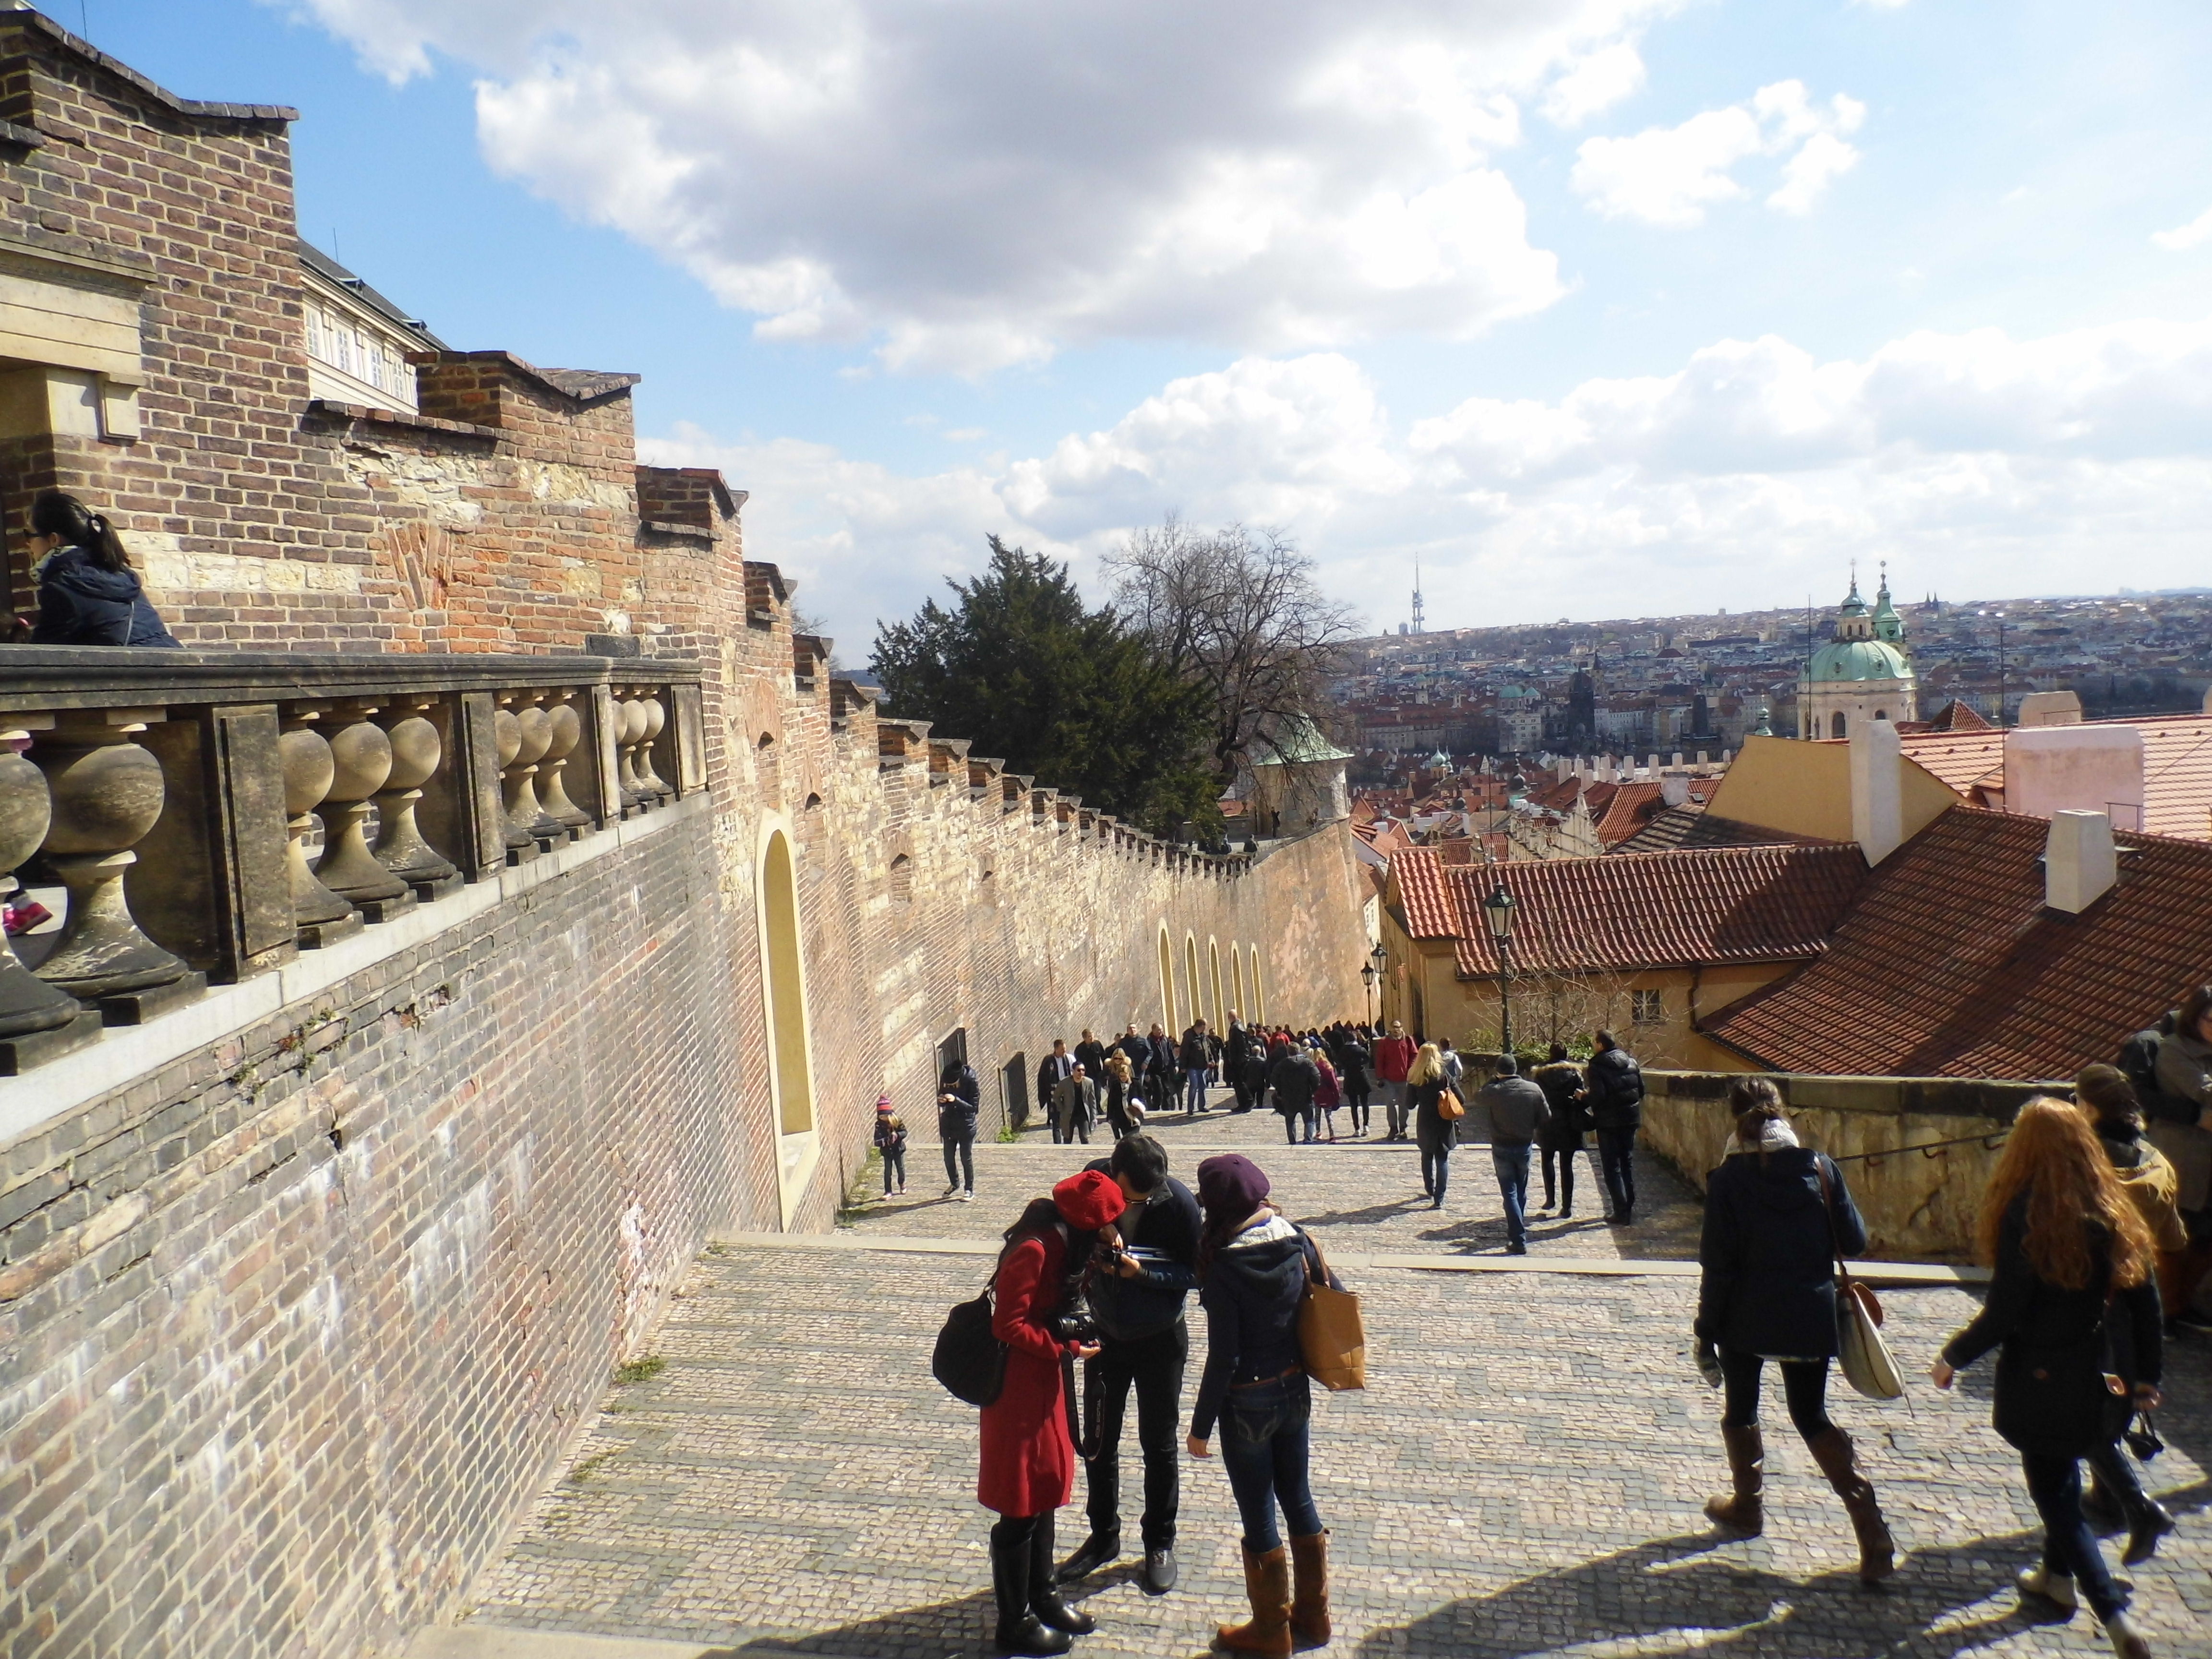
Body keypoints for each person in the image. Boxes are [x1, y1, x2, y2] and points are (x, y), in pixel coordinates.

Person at [1931, 1098, 2164, 1659]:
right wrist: (2147, 1378)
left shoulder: (2027, 1212)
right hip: (2104, 1373)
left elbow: (2006, 1309)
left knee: (2055, 1493)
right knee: (2068, 1467)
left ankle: (2112, 1611)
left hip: (2042, 1375)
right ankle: (2054, 1581)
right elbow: (2145, 1301)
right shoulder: (2109, 1206)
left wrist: (1955, 1356)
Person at [1695, 1078, 1894, 1584]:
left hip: (1743, 1317)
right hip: (1808, 1313)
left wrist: (1705, 1330)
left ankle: (1748, 1507)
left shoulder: (1727, 1181)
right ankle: (1872, 1530)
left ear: (1734, 1119)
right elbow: (1855, 1240)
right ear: (1783, 1112)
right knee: (1810, 1415)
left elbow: (1717, 1267)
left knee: (1741, 1409)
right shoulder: (1820, 1168)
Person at [1187, 1154, 1340, 1658]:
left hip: (1247, 1402)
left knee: (1259, 1512)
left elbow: (1224, 1357)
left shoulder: (1224, 1266)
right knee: (1299, 1497)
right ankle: (1315, 1617)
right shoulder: (1296, 1239)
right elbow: (1334, 1294)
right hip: (1295, 1390)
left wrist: (1200, 1427)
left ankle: (1271, 1633)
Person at [980, 1170, 1123, 1656]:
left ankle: (1043, 1596)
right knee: (1019, 1504)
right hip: (1019, 1391)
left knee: (1043, 1491)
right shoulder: (1036, 1249)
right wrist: (1064, 1349)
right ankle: (1014, 1622)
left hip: (1045, 1383)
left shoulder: (1068, 1247)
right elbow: (1008, 1324)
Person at [1058, 1135, 1202, 1597]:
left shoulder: (1178, 1204)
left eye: (1144, 1198)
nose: (1137, 1204)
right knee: (1100, 1442)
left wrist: (1144, 1273)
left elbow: (1197, 1273)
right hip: (1105, 1335)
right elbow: (1066, 1223)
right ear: (1113, 1174)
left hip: (1161, 1338)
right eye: (1130, 1197)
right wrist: (1098, 1229)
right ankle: (1103, 1537)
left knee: (1158, 1445)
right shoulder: (1094, 1180)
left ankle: (1159, 1543)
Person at [2073, 1066, 2185, 1563]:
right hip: (2140, 1289)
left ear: (2090, 1109)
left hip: (2095, 1303)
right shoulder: (2156, 1161)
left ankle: (2138, 1509)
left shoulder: (2085, 1167)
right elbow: (2174, 1239)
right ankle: (2105, 1499)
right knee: (2115, 1406)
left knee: (2084, 1418)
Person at [23, 491, 180, 648]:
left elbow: (43, 654)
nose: (27, 544)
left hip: (132, 664)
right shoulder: (119, 572)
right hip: (175, 659)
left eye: (28, 535)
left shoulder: (63, 586)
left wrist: (18, 636)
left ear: (54, 539)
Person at [2149, 983, 2212, 1330]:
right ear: (2195, 1018)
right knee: (2174, 1241)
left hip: (2209, 1166)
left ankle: (2183, 1304)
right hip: (2183, 1160)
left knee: (2206, 1241)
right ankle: (2166, 1312)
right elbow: (2204, 1091)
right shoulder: (2175, 1050)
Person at [1476, 1056, 1550, 1254]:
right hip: (1524, 1144)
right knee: (1520, 1190)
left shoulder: (1495, 1090)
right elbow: (1546, 1116)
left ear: (1498, 1071)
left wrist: (1493, 1080)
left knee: (1509, 1192)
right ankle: (1517, 1227)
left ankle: (1518, 1238)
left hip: (1502, 1145)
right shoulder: (1533, 1089)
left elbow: (1478, 1097)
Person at [1581, 1030, 1644, 1224]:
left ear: (1600, 1045)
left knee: (1611, 1167)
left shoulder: (1597, 1066)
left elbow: (1598, 1097)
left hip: (1609, 1123)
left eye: (1595, 1042)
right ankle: (1629, 1205)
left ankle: (1620, 1210)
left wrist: (1584, 1097)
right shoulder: (1631, 1062)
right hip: (1630, 1119)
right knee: (1627, 1162)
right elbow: (1641, 1091)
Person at [1532, 1043, 1588, 1217]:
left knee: (1547, 1160)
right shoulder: (1574, 1073)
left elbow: (1537, 1097)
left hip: (1547, 1120)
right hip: (1569, 1121)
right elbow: (1581, 1096)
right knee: (1567, 1164)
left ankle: (1550, 1199)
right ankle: (1567, 1206)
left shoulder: (1540, 1075)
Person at [1408, 1042, 1456, 1210]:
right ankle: (1439, 1197)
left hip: (1425, 1120)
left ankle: (1429, 1188)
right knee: (1442, 1159)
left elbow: (1409, 1104)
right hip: (1443, 1119)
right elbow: (1461, 1097)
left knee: (1427, 1155)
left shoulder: (1415, 1076)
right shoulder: (1443, 1075)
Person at [940, 1058, 982, 1202]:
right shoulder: (946, 1076)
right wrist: (941, 1100)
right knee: (948, 1158)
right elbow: (941, 1094)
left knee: (966, 1158)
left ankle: (969, 1189)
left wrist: (956, 1100)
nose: (949, 1087)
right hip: (949, 1124)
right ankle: (954, 1183)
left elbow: (974, 1108)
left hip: (966, 1125)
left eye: (952, 1085)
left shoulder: (971, 1081)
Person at [1267, 1041, 1320, 1146]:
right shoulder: (1307, 1063)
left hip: (1288, 1097)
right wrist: (1313, 1090)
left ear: (1288, 1052)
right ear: (1299, 1050)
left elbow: (1273, 1078)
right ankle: (1308, 1139)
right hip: (1305, 1096)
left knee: (1290, 1120)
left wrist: (1280, 1090)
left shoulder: (1282, 1064)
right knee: (1309, 1120)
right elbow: (1317, 1077)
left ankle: (1292, 1140)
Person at [1373, 1022, 1417, 1141]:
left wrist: (1411, 1069)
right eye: (1394, 1027)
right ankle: (1393, 1128)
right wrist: (1380, 1077)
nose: (1396, 1030)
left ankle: (1403, 1128)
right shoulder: (1384, 1042)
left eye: (1398, 1027)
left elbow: (1414, 1055)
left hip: (1404, 1079)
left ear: (1402, 1028)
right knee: (1390, 1103)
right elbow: (1379, 1060)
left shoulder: (1408, 1040)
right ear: (1391, 1029)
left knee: (1404, 1104)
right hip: (1389, 1080)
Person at [1337, 1031, 1373, 1138]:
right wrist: (1360, 1063)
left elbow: (1340, 1062)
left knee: (1354, 1106)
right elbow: (1367, 1059)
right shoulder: (1360, 1049)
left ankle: (1357, 1129)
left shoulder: (1343, 1050)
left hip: (1350, 1078)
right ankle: (1366, 1125)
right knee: (1365, 1103)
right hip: (1361, 1077)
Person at [1038, 1042, 1075, 1143]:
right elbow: (1042, 1078)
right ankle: (1057, 1144)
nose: (1064, 1051)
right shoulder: (1048, 1061)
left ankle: (1067, 1142)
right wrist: (1044, 1096)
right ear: (1056, 1049)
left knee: (1068, 1120)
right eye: (1062, 1049)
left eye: (1065, 1048)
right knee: (1056, 1121)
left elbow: (1077, 1072)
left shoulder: (1069, 1059)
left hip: (1067, 1094)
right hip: (1054, 1095)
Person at [1054, 1064, 1099, 1145]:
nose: (1081, 1072)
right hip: (1069, 1114)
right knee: (1067, 1139)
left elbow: (1092, 1100)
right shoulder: (1064, 1082)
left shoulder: (1089, 1082)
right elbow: (1056, 1097)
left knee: (1085, 1138)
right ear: (1073, 1071)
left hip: (1083, 1114)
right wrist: (1062, 1109)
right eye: (1078, 1070)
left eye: (1083, 1070)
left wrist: (1094, 1116)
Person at [873, 1096, 908, 1198]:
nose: (883, 1118)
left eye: (885, 1116)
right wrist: (885, 1141)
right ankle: (888, 1191)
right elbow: (877, 1141)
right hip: (887, 1151)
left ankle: (902, 1183)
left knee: (900, 1168)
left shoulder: (897, 1121)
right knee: (888, 1171)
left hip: (898, 1150)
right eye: (881, 1116)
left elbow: (905, 1132)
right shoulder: (879, 1125)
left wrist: (897, 1135)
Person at [1180, 1018, 1213, 1116]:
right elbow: (1184, 1051)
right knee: (1194, 1085)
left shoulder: (1203, 1036)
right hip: (1192, 1066)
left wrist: (1211, 1059)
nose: (1205, 1028)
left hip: (1202, 1066)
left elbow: (1207, 1048)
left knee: (1203, 1086)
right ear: (1201, 1026)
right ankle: (1190, 1108)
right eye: (1205, 1026)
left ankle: (1202, 1106)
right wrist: (1183, 1066)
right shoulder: (1189, 1036)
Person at [1102, 1048, 1136, 1140]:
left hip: (1126, 1091)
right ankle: (1117, 1138)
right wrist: (1105, 1086)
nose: (1118, 1060)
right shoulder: (1109, 1066)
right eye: (1116, 1058)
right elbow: (1102, 1076)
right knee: (1114, 1113)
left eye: (1120, 1059)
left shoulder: (1127, 1066)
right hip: (1114, 1091)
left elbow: (1133, 1077)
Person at [1225, 1013, 1254, 1112]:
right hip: (1240, 1059)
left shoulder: (1236, 1028)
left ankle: (1249, 1101)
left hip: (1239, 1060)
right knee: (1238, 1083)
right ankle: (1242, 1104)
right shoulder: (1239, 1026)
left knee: (1239, 1082)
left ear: (1231, 1017)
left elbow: (1240, 1046)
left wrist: (1238, 1060)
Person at [1312, 1051, 1342, 1142]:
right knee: (1328, 1115)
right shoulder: (1328, 1067)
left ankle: (1318, 1132)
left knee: (1317, 1115)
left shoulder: (1313, 1067)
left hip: (1317, 1094)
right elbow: (1334, 1082)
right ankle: (1332, 1135)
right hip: (1327, 1094)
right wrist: (1337, 1094)